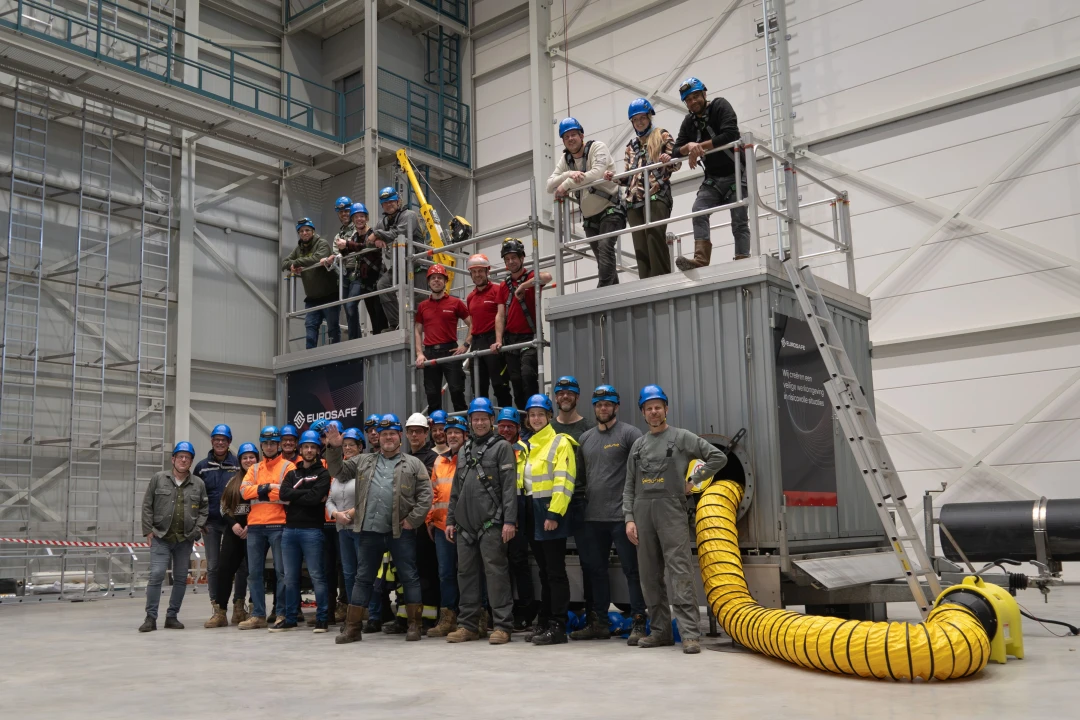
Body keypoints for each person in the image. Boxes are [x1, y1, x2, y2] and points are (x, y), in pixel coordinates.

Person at [624, 384, 727, 654]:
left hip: (672, 513)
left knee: (680, 572)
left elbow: (718, 457)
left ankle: (690, 634)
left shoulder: (682, 437)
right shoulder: (637, 446)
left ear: (666, 409)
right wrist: (628, 518)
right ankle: (660, 632)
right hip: (642, 514)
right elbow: (629, 486)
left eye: (658, 406)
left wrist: (693, 480)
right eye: (649, 408)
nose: (654, 412)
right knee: (649, 576)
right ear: (643, 413)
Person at [327, 415, 433, 644]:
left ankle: (415, 625)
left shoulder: (414, 464)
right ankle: (353, 628)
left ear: (399, 437)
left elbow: (426, 496)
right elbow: (339, 472)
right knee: (363, 578)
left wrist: (413, 520)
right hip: (369, 531)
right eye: (383, 434)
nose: (387, 438)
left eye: (392, 434)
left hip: (400, 532)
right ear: (378, 438)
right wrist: (334, 448)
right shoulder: (363, 461)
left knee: (409, 577)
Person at [573, 385, 647, 643]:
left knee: (632, 570)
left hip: (622, 517)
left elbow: (641, 473)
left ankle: (639, 621)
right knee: (596, 571)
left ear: (616, 407)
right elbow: (582, 477)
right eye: (598, 404)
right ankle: (600, 624)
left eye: (607, 404)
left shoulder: (630, 434)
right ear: (593, 407)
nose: (603, 408)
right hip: (593, 518)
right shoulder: (585, 439)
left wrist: (634, 514)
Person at [443, 398, 518, 645]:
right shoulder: (463, 450)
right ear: (470, 422)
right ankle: (469, 626)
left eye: (483, 419)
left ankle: (503, 626)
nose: (479, 423)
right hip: (465, 525)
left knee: (495, 573)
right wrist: (451, 520)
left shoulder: (502, 448)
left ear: (491, 421)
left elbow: (509, 488)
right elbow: (456, 488)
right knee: (465, 574)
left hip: (492, 523)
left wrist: (509, 521)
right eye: (475, 419)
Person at [670, 77, 748, 269]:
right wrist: (689, 146)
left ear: (704, 94)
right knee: (698, 211)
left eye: (695, 96)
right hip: (713, 179)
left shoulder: (720, 106)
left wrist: (698, 147)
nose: (693, 102)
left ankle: (743, 259)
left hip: (736, 174)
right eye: (688, 100)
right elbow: (674, 151)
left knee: (739, 218)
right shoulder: (689, 122)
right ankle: (701, 259)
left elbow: (730, 134)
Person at [521, 394, 578, 646]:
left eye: (540, 414)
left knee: (555, 572)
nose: (535, 418)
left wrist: (554, 513)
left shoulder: (559, 442)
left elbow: (564, 480)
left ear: (549, 416)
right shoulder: (529, 445)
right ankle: (544, 621)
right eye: (531, 415)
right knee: (544, 572)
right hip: (533, 513)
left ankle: (558, 626)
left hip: (550, 513)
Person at [605, 98, 681, 279]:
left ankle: (662, 280)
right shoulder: (630, 146)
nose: (639, 122)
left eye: (642, 118)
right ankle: (646, 282)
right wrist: (613, 178)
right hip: (634, 200)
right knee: (640, 244)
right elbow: (629, 176)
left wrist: (667, 159)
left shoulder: (662, 135)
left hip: (656, 194)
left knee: (654, 236)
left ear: (649, 117)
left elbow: (676, 163)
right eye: (635, 119)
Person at [139, 441, 208, 632]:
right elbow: (147, 505)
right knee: (156, 575)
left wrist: (196, 530)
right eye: (180, 456)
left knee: (180, 578)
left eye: (187, 457)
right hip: (161, 537)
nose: (183, 460)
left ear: (191, 461)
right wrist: (148, 530)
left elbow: (204, 510)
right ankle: (150, 618)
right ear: (173, 459)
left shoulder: (198, 484)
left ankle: (172, 616)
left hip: (184, 540)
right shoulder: (158, 478)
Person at [547, 117, 624, 288]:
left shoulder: (597, 148)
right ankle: (615, 292)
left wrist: (566, 184)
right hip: (590, 218)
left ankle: (601, 291)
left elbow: (596, 173)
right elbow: (549, 185)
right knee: (603, 258)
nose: (570, 139)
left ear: (582, 135)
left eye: (573, 134)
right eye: (566, 137)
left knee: (605, 249)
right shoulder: (566, 160)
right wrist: (569, 174)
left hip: (610, 209)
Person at [237, 426, 296, 630]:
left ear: (278, 444)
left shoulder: (288, 467)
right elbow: (244, 492)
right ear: (261, 445)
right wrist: (269, 488)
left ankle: (281, 613)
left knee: (281, 573)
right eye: (266, 443)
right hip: (255, 526)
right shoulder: (254, 469)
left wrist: (260, 491)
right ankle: (258, 615)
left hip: (278, 524)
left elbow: (287, 493)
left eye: (273, 443)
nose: (269, 446)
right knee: (254, 573)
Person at [275, 430, 332, 633]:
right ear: (301, 449)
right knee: (289, 577)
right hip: (289, 531)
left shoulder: (324, 473)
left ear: (318, 450)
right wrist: (308, 494)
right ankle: (290, 618)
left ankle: (322, 618)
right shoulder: (292, 473)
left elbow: (315, 498)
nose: (309, 450)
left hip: (312, 531)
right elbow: (283, 494)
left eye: (313, 447)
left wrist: (296, 496)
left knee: (317, 576)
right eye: (306, 446)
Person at [549, 375, 595, 623]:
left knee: (589, 562)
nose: (565, 397)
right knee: (554, 564)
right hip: (554, 503)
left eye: (570, 393)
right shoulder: (548, 429)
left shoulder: (588, 428)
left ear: (577, 397)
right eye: (560, 392)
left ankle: (593, 617)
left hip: (580, 501)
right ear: (555, 397)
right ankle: (558, 616)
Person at [193, 424, 241, 628]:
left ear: (229, 442)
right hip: (210, 524)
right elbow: (195, 495)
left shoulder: (239, 464)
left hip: (233, 524)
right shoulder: (202, 466)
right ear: (212, 441)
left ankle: (239, 607)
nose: (220, 442)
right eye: (216, 439)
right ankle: (217, 608)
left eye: (224, 439)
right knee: (212, 566)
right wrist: (199, 520)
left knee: (239, 567)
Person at [206, 442, 259, 628]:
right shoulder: (233, 481)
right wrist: (234, 524)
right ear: (240, 461)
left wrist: (250, 527)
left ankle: (249, 610)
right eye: (245, 458)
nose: (248, 460)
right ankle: (220, 612)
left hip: (255, 532)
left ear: (257, 459)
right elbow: (224, 507)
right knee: (224, 570)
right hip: (233, 532)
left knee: (254, 572)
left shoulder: (262, 479)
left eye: (252, 457)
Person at [497, 239, 551, 409]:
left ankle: (535, 413)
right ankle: (523, 421)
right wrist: (498, 339)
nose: (511, 261)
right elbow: (500, 315)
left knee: (528, 375)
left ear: (521, 258)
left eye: (514, 257)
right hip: (511, 340)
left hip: (529, 337)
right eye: (507, 259)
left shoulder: (531, 277)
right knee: (516, 381)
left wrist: (525, 286)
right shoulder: (503, 286)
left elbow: (547, 277)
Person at [425, 415, 466, 638]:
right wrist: (430, 519)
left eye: (456, 432)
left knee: (469, 573)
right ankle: (448, 617)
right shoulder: (439, 461)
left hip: (467, 526)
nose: (451, 436)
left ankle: (472, 617)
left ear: (464, 435)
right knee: (445, 573)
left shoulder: (470, 458)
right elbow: (433, 492)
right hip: (441, 527)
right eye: (449, 432)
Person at [496, 407, 535, 630]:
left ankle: (526, 611)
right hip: (496, 509)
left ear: (518, 429)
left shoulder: (525, 449)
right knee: (499, 564)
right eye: (502, 426)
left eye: (510, 426)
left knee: (519, 562)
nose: (506, 430)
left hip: (519, 507)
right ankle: (503, 609)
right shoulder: (492, 448)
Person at [414, 264, 471, 413]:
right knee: (432, 395)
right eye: (433, 278)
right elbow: (417, 330)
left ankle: (462, 429)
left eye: (440, 278)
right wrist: (420, 353)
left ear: (445, 281)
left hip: (451, 351)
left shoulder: (455, 303)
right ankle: (436, 431)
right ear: (429, 282)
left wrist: (465, 345)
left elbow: (473, 324)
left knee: (457, 391)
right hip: (430, 354)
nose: (436, 280)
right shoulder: (422, 306)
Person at [404, 412, 441, 630]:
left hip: (425, 523)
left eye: (419, 431)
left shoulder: (433, 459)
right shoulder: (406, 458)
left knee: (427, 570)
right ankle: (408, 617)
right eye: (411, 431)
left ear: (426, 434)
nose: (415, 435)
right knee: (408, 571)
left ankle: (429, 617)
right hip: (406, 522)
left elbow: (429, 491)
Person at [372, 186, 426, 331]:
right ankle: (395, 324)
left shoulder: (409, 215)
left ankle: (425, 329)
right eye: (385, 202)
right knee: (382, 286)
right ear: (382, 205)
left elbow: (399, 233)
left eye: (392, 201)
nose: (389, 204)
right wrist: (375, 239)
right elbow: (368, 238)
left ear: (398, 201)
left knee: (420, 299)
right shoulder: (382, 222)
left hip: (417, 263)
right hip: (399, 266)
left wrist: (378, 234)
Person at [463, 253, 513, 408]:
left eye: (480, 271)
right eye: (474, 271)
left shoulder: (497, 290)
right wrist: (465, 344)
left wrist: (499, 340)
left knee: (500, 385)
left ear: (487, 271)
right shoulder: (470, 297)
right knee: (478, 388)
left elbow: (503, 316)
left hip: (493, 340)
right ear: (470, 274)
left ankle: (508, 420)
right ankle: (481, 423)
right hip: (477, 343)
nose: (477, 275)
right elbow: (473, 324)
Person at [327, 427, 365, 629]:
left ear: (360, 447)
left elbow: (369, 496)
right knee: (349, 573)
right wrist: (335, 514)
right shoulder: (337, 472)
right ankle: (353, 612)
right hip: (342, 529)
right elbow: (330, 499)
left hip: (360, 527)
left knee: (365, 573)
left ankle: (372, 612)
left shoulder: (364, 468)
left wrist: (351, 513)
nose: (348, 448)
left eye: (352, 445)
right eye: (345, 445)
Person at [283, 218, 340, 349]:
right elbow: (284, 263)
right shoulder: (298, 249)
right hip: (312, 298)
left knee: (332, 328)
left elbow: (316, 258)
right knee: (310, 329)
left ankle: (336, 354)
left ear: (313, 231)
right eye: (301, 231)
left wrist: (296, 263)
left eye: (307, 230)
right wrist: (292, 265)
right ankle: (310, 359)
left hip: (329, 295)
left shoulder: (322, 243)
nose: (304, 233)